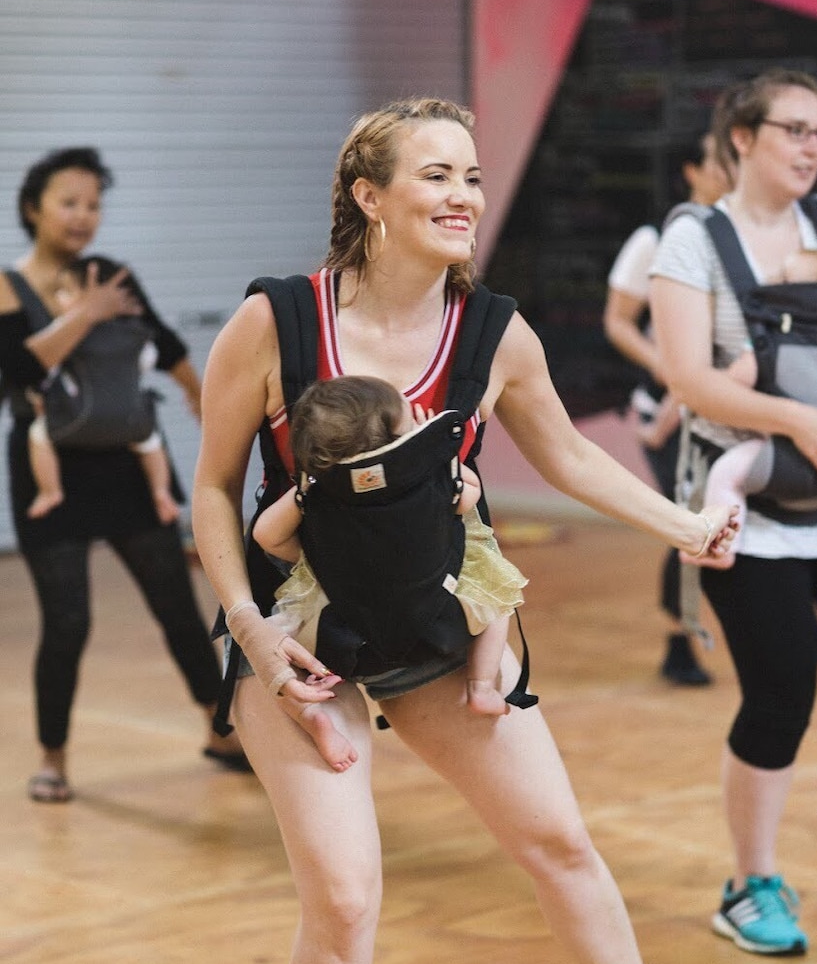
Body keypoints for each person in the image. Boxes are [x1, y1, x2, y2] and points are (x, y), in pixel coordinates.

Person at [192, 97, 738, 964]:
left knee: (561, 847)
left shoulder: (494, 331)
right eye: (437, 174)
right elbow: (215, 491)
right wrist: (250, 630)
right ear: (369, 197)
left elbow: (570, 457)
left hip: (439, 618)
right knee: (342, 897)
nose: (466, 196)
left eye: (473, 177)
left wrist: (689, 525)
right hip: (296, 633)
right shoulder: (277, 322)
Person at [650, 68, 817, 956]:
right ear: (742, 137)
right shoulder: (693, 241)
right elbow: (690, 380)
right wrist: (797, 419)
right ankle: (750, 883)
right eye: (796, 130)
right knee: (783, 692)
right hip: (745, 502)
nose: (816, 146)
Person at [0, 147, 248, 804]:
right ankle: (53, 758)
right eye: (69, 202)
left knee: (175, 603)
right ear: (34, 209)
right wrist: (87, 312)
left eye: (93, 203)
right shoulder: (7, 284)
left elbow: (164, 345)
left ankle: (219, 731)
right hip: (49, 469)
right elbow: (19, 373)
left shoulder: (112, 273)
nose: (84, 215)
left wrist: (206, 401)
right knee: (68, 621)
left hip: (130, 468)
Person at [252, 374, 529, 770]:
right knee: (497, 601)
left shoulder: (316, 497)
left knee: (276, 658)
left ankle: (314, 718)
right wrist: (432, 451)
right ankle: (482, 686)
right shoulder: (430, 485)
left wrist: (304, 516)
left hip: (341, 638)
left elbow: (267, 536)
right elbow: (469, 494)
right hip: (438, 625)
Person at [604, 127, 734, 685]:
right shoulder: (653, 239)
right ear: (690, 169)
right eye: (718, 158)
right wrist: (672, 371)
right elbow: (618, 321)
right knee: (690, 516)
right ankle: (679, 640)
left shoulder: (738, 236)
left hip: (730, 404)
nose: (730, 168)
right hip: (670, 409)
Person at [684, 247, 817, 573]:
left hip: (780, 462)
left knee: (727, 475)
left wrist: (709, 378)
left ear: (802, 294)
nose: (771, 281)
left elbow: (728, 387)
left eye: (784, 278)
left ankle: (719, 543)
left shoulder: (769, 344)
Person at [25, 255, 180, 525]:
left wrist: (37, 399)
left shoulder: (66, 332)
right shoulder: (136, 332)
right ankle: (160, 491)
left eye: (65, 291)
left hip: (77, 420)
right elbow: (145, 363)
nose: (58, 298)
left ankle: (50, 491)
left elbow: (43, 376)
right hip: (131, 421)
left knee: (38, 432)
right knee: (151, 442)